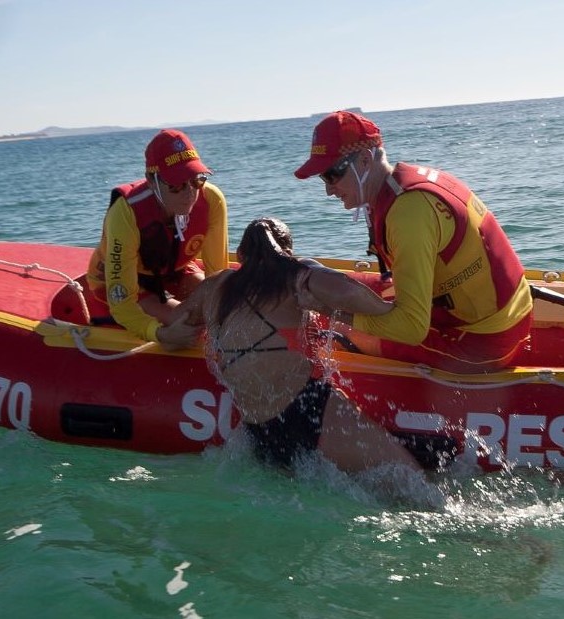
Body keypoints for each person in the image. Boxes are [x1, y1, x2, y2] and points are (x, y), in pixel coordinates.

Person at [157, 218, 425, 474]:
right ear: (288, 253)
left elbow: (172, 330)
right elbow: (348, 292)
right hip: (308, 409)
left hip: (257, 429)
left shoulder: (215, 286)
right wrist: (389, 309)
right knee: (409, 479)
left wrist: (165, 336)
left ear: (240, 255)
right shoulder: (294, 278)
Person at [293, 110, 534, 374]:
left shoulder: (408, 213)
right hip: (495, 310)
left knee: (341, 325)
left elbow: (411, 328)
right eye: (322, 179)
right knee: (321, 280)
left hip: (487, 341)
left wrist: (327, 311)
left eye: (331, 175)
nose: (328, 190)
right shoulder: (398, 186)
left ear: (364, 160)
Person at [83, 128, 229, 343]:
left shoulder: (212, 200)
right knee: (188, 323)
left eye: (196, 179)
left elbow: (216, 275)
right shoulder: (126, 212)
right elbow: (122, 303)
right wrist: (159, 334)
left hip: (175, 270)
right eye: (177, 185)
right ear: (152, 181)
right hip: (130, 279)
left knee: (228, 308)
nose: (190, 192)